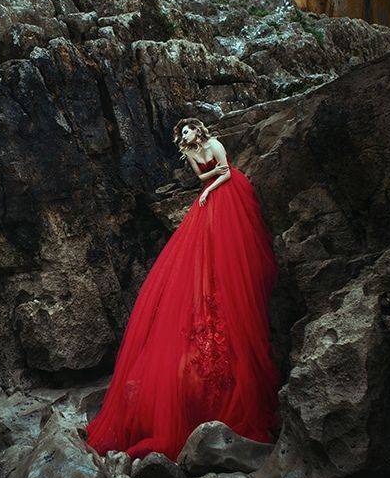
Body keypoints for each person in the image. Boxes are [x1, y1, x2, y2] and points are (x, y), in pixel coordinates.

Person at [85, 117, 280, 460]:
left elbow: (226, 173)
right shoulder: (192, 153)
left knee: (229, 246)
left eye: (189, 130)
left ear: (199, 129)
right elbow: (203, 174)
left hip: (230, 192)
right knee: (194, 254)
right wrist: (206, 185)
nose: (187, 136)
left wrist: (207, 188)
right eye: (183, 134)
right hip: (210, 194)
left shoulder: (215, 144)